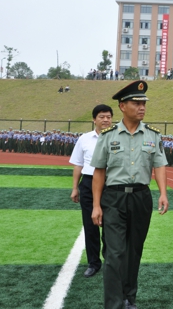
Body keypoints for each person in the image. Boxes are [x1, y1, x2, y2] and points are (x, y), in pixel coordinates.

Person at [90, 80, 168, 309]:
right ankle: (114, 304)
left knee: (134, 252)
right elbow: (99, 172)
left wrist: (163, 193)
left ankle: (128, 298)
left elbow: (160, 165)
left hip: (141, 198)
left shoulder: (153, 135)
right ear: (123, 106)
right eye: (136, 102)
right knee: (114, 253)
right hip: (114, 199)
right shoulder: (108, 135)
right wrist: (96, 205)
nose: (142, 107)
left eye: (144, 103)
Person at [69, 104, 113, 278]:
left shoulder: (117, 137)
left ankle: (110, 261)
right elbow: (78, 164)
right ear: (94, 119)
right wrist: (75, 187)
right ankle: (94, 263)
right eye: (102, 116)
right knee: (90, 225)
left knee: (111, 226)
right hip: (88, 183)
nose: (105, 120)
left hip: (111, 184)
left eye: (108, 116)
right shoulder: (84, 139)